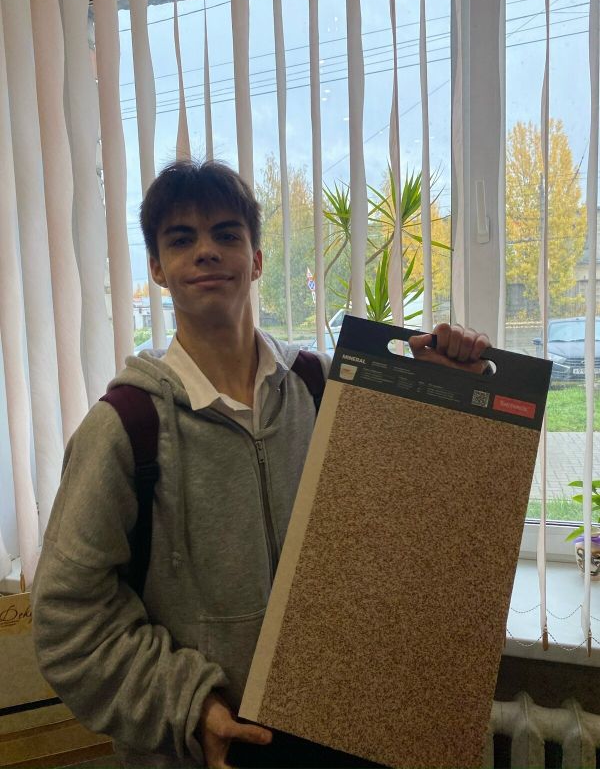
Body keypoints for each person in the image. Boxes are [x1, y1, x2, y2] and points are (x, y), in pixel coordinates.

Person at [32, 160, 491, 769]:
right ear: (157, 269)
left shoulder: (321, 387)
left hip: (343, 732)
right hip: (212, 748)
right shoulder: (126, 427)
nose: (206, 251)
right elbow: (67, 620)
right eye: (181, 239)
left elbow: (413, 505)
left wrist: (457, 383)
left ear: (255, 260)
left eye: (226, 234)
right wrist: (187, 705)